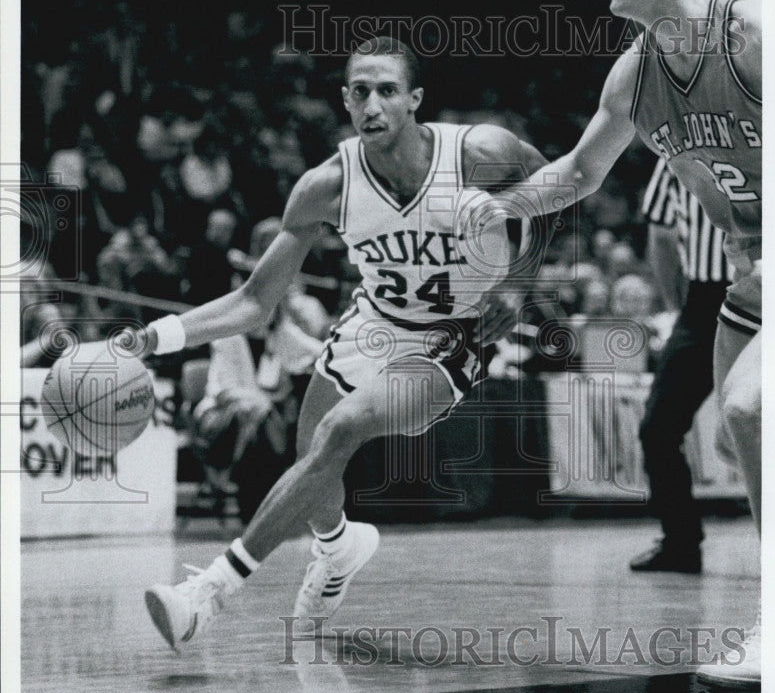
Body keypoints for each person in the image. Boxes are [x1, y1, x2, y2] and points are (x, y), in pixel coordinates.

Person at [132, 36, 546, 652]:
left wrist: (517, 282)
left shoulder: (480, 152)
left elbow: (555, 187)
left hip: (450, 335)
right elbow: (253, 303)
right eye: (359, 91)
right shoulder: (326, 186)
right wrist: (154, 337)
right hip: (373, 322)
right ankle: (339, 551)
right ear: (344, 100)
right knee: (313, 467)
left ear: (415, 99)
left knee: (341, 429)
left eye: (386, 90)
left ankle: (207, 594)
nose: (372, 104)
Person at [496, 0, 761, 688]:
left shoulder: (753, 33)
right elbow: (576, 174)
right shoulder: (634, 76)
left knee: (752, 408)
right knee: (738, 435)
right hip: (753, 282)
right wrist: (482, 210)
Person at [630, 158, 730, 573]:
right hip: (706, 302)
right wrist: (679, 310)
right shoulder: (673, 148)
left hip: (766, 293)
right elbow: (661, 234)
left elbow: (661, 236)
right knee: (658, 427)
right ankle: (680, 541)